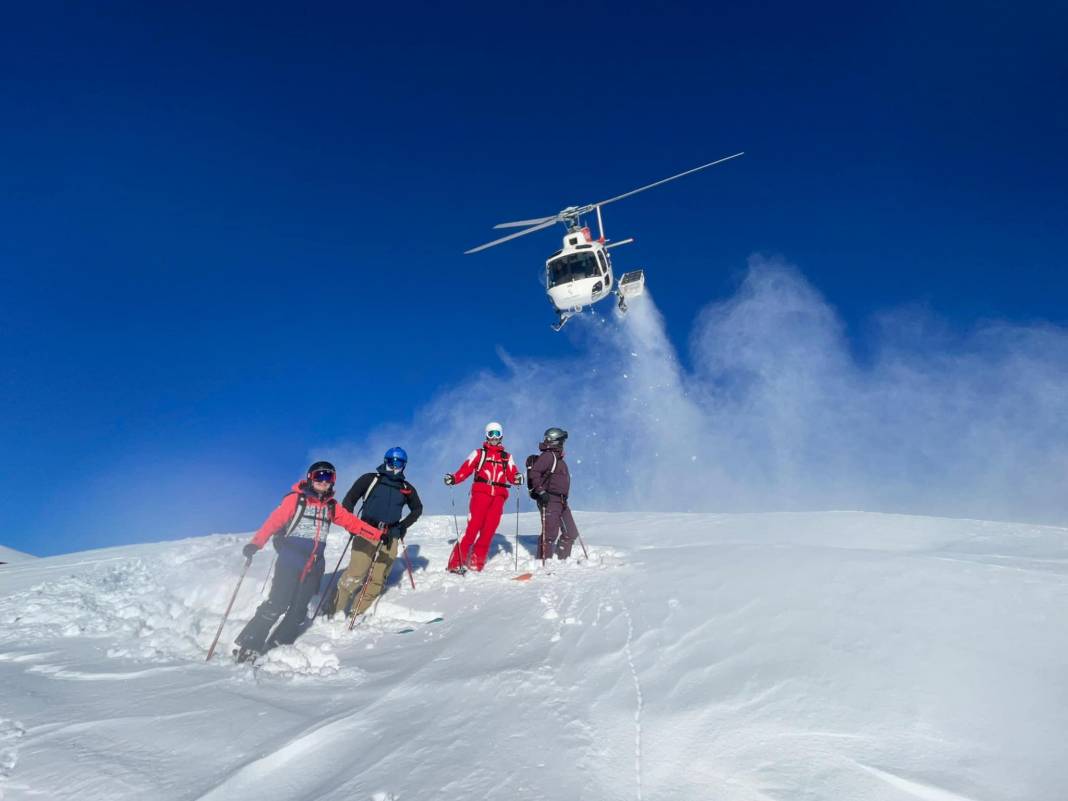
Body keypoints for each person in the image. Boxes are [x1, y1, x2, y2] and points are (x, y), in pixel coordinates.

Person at [233, 461, 383, 661]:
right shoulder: (296, 499)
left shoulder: (331, 506)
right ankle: (249, 644)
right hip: (290, 560)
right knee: (278, 602)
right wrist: (256, 544)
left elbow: (352, 523)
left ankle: (278, 645)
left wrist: (376, 535)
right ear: (310, 477)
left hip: (314, 564)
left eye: (328, 477)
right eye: (319, 476)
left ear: (333, 481)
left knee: (299, 609)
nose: (323, 481)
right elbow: (273, 522)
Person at [330, 446, 423, 619]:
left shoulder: (406, 488)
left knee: (378, 579)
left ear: (404, 465)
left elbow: (417, 508)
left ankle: (355, 613)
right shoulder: (370, 479)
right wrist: (351, 523)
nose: (394, 467)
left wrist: (403, 526)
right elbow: (350, 499)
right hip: (366, 530)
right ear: (385, 461)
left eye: (399, 463)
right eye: (391, 462)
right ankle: (335, 611)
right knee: (356, 574)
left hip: (391, 536)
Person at [444, 421, 522, 572]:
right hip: (481, 494)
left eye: (497, 434)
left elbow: (513, 475)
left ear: (501, 436)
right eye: (491, 433)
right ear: (486, 435)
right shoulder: (479, 454)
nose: (494, 437)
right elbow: (465, 470)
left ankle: (476, 563)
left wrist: (518, 478)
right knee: (473, 528)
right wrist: (454, 478)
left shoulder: (507, 457)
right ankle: (455, 564)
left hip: (498, 497)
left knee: (488, 531)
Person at [528, 427, 580, 560]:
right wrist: (541, 491)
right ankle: (543, 562)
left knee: (571, 532)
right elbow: (534, 473)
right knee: (550, 534)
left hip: (561, 501)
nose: (563, 444)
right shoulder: (548, 456)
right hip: (549, 499)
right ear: (556, 441)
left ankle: (562, 559)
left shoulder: (559, 459)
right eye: (562, 440)